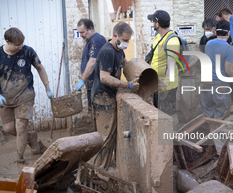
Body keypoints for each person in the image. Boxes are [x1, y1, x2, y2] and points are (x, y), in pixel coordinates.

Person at [0, 27, 52, 163]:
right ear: (7, 42)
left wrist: (47, 88)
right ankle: (31, 137)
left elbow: (40, 68)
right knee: (8, 128)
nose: (20, 47)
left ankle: (20, 158)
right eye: (17, 45)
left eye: (21, 44)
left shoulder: (27, 51)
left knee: (21, 127)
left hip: (25, 96)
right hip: (5, 98)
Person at [91, 22, 139, 169]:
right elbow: (105, 77)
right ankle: (99, 171)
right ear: (115, 36)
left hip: (109, 95)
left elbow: (125, 64)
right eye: (125, 40)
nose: (127, 43)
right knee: (105, 137)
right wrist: (128, 85)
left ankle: (103, 167)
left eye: (128, 40)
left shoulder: (119, 50)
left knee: (111, 134)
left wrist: (138, 76)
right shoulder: (107, 51)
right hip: (102, 98)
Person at [147, 10, 180, 129]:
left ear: (157, 24)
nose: (152, 23)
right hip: (157, 84)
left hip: (167, 86)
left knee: (170, 113)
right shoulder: (158, 37)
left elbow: (171, 65)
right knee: (159, 112)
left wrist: (164, 87)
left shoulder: (172, 40)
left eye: (153, 21)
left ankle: (173, 138)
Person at [200, 20, 233, 119]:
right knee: (220, 117)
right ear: (228, 33)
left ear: (216, 32)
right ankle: (217, 134)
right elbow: (229, 70)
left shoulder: (208, 44)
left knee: (207, 115)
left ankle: (208, 133)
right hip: (220, 87)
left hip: (206, 86)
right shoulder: (229, 49)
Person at [75, 19, 107, 111]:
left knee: (97, 110)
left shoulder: (97, 40)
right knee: (92, 109)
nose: (80, 35)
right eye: (79, 33)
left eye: (82, 32)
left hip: (97, 84)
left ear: (90, 29)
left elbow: (92, 63)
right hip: (92, 83)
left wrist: (82, 80)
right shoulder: (90, 40)